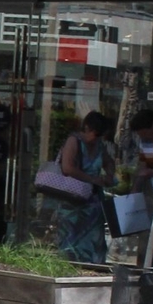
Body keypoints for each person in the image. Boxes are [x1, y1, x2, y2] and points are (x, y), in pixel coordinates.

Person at [48, 111, 116, 261]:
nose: (95, 138)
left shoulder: (99, 145)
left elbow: (109, 161)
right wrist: (92, 179)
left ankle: (93, 265)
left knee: (94, 239)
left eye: (99, 136)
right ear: (87, 128)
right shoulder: (74, 141)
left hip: (92, 202)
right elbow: (67, 168)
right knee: (70, 240)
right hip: (73, 198)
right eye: (94, 134)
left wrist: (109, 174)